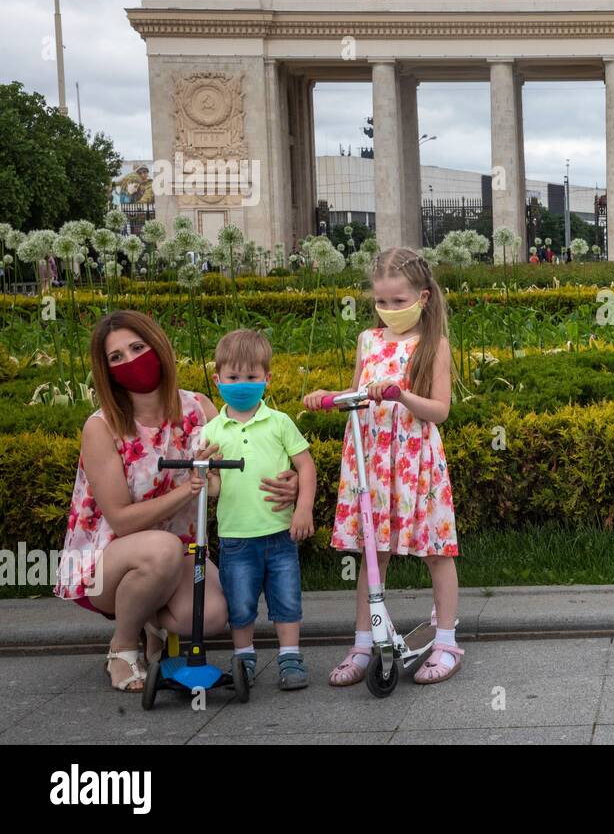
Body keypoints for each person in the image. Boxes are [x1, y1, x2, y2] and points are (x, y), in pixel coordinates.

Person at [54, 311, 300, 692]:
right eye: (116, 357)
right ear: (106, 370)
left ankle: (153, 625)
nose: (130, 361)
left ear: (159, 346)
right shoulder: (101, 427)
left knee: (215, 615)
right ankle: (122, 647)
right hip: (107, 562)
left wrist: (291, 480)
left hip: (177, 553)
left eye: (137, 347)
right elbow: (121, 520)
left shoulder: (198, 408)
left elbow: (235, 469)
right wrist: (185, 490)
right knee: (165, 549)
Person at [304, 248, 462, 687]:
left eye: (398, 301)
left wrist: (401, 395)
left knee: (435, 549)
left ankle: (446, 638)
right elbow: (358, 393)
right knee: (373, 553)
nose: (389, 310)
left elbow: (440, 409)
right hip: (371, 458)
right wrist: (328, 397)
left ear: (423, 297)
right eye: (382, 301)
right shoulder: (367, 340)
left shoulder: (434, 344)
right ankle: (363, 641)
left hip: (415, 460)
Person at [202, 329, 317, 690]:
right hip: (236, 536)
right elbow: (214, 488)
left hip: (280, 533)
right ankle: (244, 658)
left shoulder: (280, 422)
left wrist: (303, 509)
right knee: (240, 602)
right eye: (233, 377)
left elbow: (307, 466)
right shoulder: (211, 431)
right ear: (218, 379)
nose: (242, 384)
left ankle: (290, 657)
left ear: (266, 379)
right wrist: (205, 478)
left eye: (251, 377)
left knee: (286, 598)